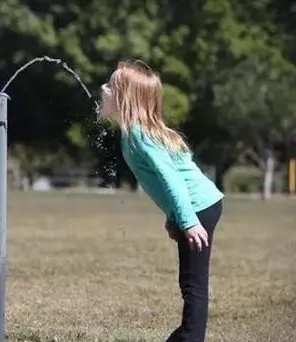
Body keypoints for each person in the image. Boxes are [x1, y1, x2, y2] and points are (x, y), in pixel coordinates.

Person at [100, 60, 224, 342]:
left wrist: (188, 221)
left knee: (193, 286)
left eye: (109, 86)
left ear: (123, 98)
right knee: (190, 284)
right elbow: (177, 171)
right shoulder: (137, 132)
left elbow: (173, 180)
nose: (102, 89)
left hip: (198, 209)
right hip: (197, 207)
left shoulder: (138, 135)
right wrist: (174, 218)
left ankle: (190, 338)